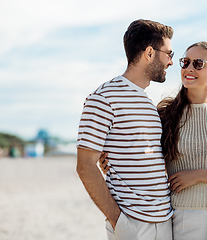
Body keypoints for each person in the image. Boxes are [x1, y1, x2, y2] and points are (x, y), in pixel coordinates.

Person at [100, 41, 207, 240]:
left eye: (198, 63)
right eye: (185, 62)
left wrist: (198, 175)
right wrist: (111, 163)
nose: (189, 68)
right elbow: (145, 159)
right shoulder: (165, 115)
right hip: (182, 217)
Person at [76, 19, 174, 240]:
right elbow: (84, 166)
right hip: (132, 224)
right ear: (149, 53)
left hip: (165, 220)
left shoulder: (148, 102)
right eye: (169, 54)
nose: (170, 61)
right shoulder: (103, 98)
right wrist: (118, 221)